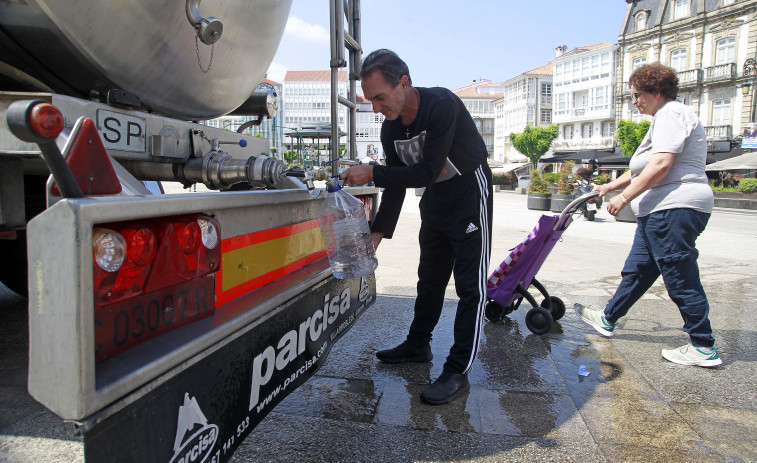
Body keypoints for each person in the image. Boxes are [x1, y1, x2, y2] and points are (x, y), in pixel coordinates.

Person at [340, 49, 493, 403]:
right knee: (430, 277)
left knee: (470, 286)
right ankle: (417, 344)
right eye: (370, 100)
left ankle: (457, 370)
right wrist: (374, 237)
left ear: (404, 83)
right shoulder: (391, 128)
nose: (376, 108)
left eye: (379, 97)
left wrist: (372, 171)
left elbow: (424, 170)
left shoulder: (441, 105)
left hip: (470, 192)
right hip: (436, 198)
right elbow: (396, 184)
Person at [575, 63, 721, 367]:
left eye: (637, 94)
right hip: (660, 210)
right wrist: (608, 188)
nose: (635, 101)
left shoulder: (671, 114)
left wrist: (625, 198)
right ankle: (608, 318)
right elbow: (641, 166)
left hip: (675, 207)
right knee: (639, 270)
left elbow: (661, 164)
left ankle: (702, 345)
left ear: (656, 91)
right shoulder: (664, 117)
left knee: (680, 276)